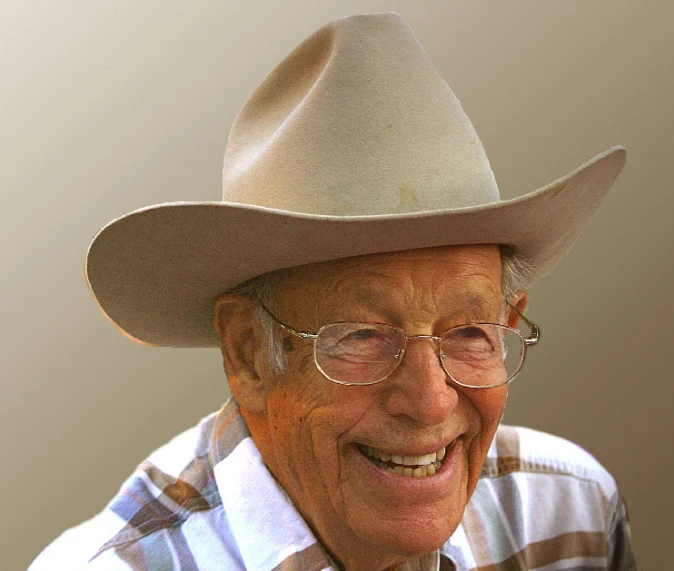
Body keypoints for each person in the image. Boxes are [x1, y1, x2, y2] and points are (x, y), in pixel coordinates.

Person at [31, 12, 636, 571]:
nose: (429, 402)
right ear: (246, 353)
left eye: (470, 333)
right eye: (363, 336)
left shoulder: (572, 518)